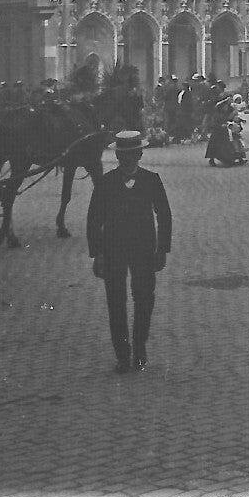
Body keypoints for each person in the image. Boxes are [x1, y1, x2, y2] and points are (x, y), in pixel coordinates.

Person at [86, 130, 173, 373]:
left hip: (144, 249)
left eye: (133, 154)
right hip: (113, 249)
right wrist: (98, 253)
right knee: (116, 302)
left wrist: (162, 249)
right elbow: (94, 218)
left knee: (144, 299)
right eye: (123, 155)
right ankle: (123, 355)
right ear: (117, 156)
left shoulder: (151, 180)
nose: (128, 159)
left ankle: (140, 348)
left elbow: (164, 215)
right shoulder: (106, 183)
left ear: (140, 154)